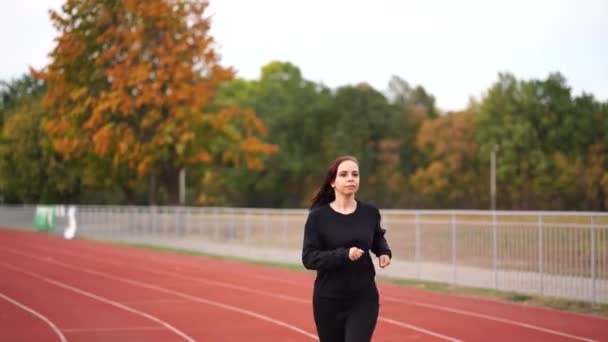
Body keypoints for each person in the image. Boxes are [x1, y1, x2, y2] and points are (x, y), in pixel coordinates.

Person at [302, 155, 392, 342]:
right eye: (344, 174)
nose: (351, 178)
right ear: (333, 182)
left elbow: (376, 236)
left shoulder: (369, 212)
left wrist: (383, 251)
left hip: (363, 297)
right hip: (329, 300)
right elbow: (309, 258)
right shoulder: (318, 217)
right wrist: (344, 255)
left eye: (355, 174)